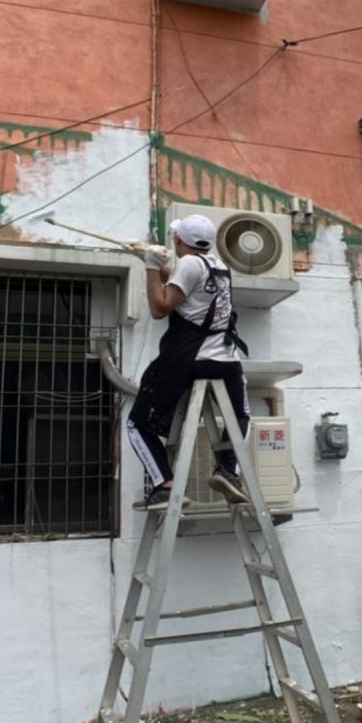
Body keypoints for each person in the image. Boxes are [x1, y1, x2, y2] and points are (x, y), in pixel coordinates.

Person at [126, 213, 251, 511]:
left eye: (175, 238)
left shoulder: (189, 265)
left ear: (179, 240)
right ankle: (227, 470)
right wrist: (151, 259)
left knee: (137, 424)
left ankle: (163, 485)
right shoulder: (219, 266)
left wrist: (150, 266)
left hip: (188, 358)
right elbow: (186, 282)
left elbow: (160, 308)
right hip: (225, 361)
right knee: (242, 415)